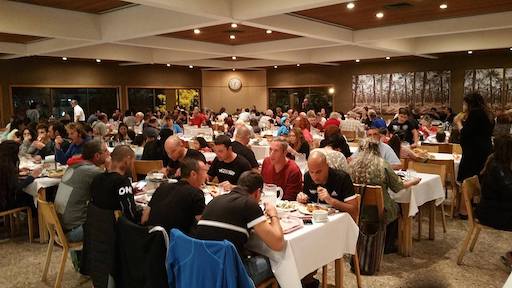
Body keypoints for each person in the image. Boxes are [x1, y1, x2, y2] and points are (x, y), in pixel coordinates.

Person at [193, 171, 284, 286]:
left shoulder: (215, 200)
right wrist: (273, 214)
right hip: (227, 277)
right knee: (276, 262)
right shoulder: (250, 204)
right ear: (257, 193)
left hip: (200, 271)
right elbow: (278, 244)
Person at [296, 151, 357, 287]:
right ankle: (304, 280)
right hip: (315, 225)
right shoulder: (308, 177)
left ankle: (306, 279)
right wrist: (302, 199)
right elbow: (308, 205)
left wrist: (330, 200)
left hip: (338, 228)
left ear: (327, 166)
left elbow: (354, 210)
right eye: (312, 172)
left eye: (318, 172)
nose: (315, 176)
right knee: (298, 241)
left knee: (309, 244)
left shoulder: (342, 178)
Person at [350, 139, 421, 253]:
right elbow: (398, 187)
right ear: (377, 149)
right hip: (380, 209)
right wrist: (413, 181)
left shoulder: (353, 165)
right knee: (397, 207)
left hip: (357, 208)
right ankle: (388, 245)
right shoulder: (382, 165)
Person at [55, 140, 110, 242]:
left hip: (59, 228)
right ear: (97, 156)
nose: (109, 153)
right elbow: (112, 187)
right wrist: (109, 167)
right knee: (114, 224)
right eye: (106, 151)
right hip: (73, 231)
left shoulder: (75, 166)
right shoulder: (92, 171)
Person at [141, 158, 208, 233]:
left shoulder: (162, 187)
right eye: (205, 172)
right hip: (175, 241)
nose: (206, 176)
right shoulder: (196, 194)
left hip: (152, 238)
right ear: (193, 174)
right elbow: (202, 227)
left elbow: (144, 218)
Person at [90, 145, 141, 223]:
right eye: (132, 161)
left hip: (96, 226)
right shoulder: (122, 182)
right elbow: (130, 212)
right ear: (127, 160)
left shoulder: (97, 178)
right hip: (115, 228)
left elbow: (107, 197)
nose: (132, 164)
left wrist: (130, 192)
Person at [475, 134, 512, 231]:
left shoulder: (496, 162)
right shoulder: (497, 167)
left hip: (494, 209)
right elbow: (509, 192)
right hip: (493, 214)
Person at [457, 93, 494, 184]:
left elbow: (465, 132)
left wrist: (458, 122)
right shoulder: (487, 113)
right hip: (485, 150)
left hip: (474, 153)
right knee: (480, 180)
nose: (464, 106)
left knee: (468, 181)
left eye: (465, 103)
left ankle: (466, 197)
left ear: (470, 104)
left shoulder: (475, 113)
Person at [0, 140, 42, 212]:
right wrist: (31, 177)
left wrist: (17, 170)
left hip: (3, 200)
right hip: (4, 204)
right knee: (30, 197)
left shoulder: (3, 164)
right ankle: (37, 220)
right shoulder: (6, 167)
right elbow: (17, 187)